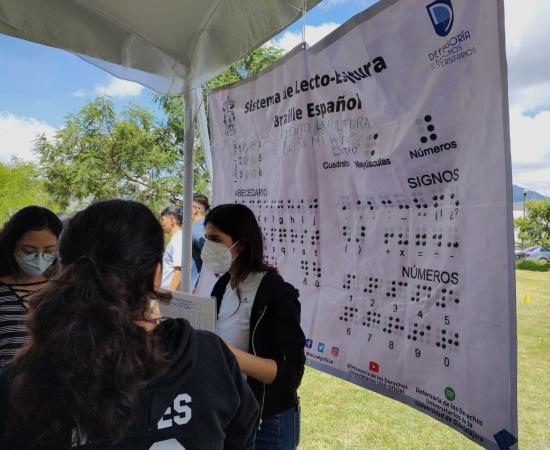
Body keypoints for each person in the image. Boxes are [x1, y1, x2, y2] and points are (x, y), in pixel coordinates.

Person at [0, 199, 258, 450]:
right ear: (156, 275)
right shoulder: (208, 356)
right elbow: (240, 436)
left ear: (63, 271)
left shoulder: (20, 382)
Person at [203, 203, 305, 450]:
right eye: (206, 239)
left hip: (268, 422)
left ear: (242, 243)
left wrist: (229, 355)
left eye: (216, 239)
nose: (208, 247)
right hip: (229, 413)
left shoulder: (276, 294)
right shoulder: (222, 287)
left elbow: (290, 374)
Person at [0, 206, 62, 367]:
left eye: (49, 251)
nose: (39, 258)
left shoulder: (63, 290)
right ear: (11, 245)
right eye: (28, 251)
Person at [159, 206, 183, 290]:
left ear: (172, 220)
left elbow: (179, 271)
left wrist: (169, 295)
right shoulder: (176, 239)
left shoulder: (178, 239)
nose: (161, 223)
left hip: (168, 296)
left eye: (163, 220)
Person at [191, 194, 209, 288]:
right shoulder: (204, 225)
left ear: (194, 209)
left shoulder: (197, 229)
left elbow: (211, 255)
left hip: (195, 287)